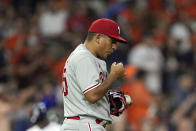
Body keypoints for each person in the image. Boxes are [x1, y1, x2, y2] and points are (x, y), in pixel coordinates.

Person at [60, 18, 127, 131]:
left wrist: (107, 102)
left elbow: (89, 97)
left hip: (82, 123)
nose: (115, 46)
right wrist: (113, 75)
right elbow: (92, 95)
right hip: (85, 125)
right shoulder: (84, 57)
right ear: (98, 38)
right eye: (113, 41)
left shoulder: (87, 57)